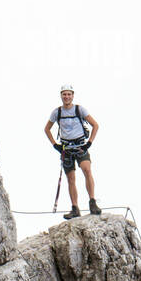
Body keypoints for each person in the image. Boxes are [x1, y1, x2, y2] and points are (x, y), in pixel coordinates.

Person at [44, 84, 101, 220]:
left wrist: (89, 142)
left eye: (69, 94)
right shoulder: (57, 112)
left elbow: (95, 125)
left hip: (80, 146)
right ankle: (75, 208)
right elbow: (47, 129)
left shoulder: (79, 109)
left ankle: (92, 202)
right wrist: (55, 145)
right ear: (61, 96)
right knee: (71, 178)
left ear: (72, 95)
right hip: (66, 149)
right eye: (64, 94)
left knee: (87, 170)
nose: (67, 97)